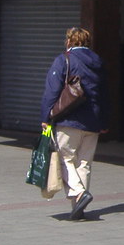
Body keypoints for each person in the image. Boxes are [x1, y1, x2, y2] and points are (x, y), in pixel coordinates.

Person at [41, 27, 109, 221]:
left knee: (65, 159)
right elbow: (105, 94)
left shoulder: (64, 60)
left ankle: (79, 194)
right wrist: (104, 120)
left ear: (69, 41)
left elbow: (52, 90)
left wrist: (45, 117)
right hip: (93, 121)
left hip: (69, 119)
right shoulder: (98, 62)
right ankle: (78, 208)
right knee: (84, 163)